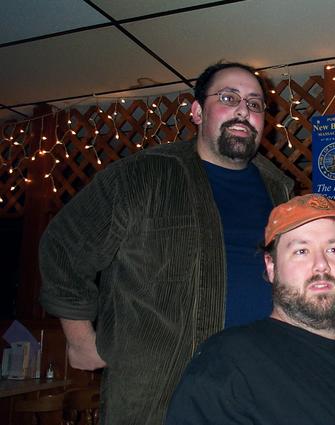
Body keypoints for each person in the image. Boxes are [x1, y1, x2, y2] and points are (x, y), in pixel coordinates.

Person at [38, 62, 294, 425]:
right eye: (228, 98)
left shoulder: (280, 190)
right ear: (197, 111)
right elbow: (63, 247)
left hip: (257, 390)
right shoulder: (141, 176)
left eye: (254, 104)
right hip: (160, 396)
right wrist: (80, 340)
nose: (243, 110)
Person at [165, 194, 335, 425]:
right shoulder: (227, 363)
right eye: (301, 251)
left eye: (333, 249)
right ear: (271, 267)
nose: (321, 264)